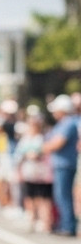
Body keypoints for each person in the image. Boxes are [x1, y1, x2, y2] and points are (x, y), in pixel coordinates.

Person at [43, 94, 79, 236]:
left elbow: (57, 143)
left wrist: (46, 147)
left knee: (63, 195)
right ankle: (64, 223)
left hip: (66, 164)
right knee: (60, 195)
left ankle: (68, 225)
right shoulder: (62, 124)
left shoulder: (68, 123)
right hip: (60, 164)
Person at [13, 111, 53, 232]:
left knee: (43, 196)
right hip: (28, 172)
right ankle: (32, 218)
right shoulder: (25, 139)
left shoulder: (44, 137)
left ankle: (45, 221)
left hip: (42, 172)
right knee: (30, 196)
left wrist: (38, 154)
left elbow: (47, 152)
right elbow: (19, 155)